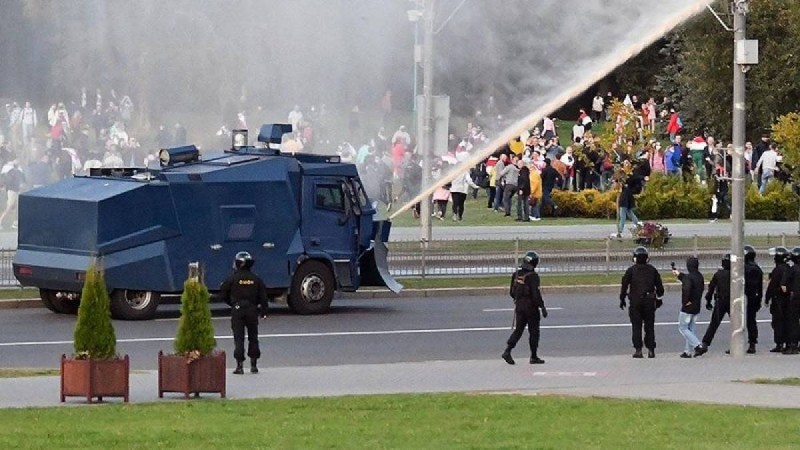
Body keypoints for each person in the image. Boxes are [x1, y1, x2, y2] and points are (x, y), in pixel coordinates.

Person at [218, 251, 269, 374]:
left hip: (237, 310)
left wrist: (233, 304)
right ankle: (254, 365)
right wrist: (263, 311)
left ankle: (239, 366)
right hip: (252, 310)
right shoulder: (256, 279)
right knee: (253, 337)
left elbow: (223, 293)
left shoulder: (232, 278)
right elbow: (263, 297)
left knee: (239, 338)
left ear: (238, 263)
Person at [502, 251, 548, 365]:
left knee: (518, 330)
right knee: (534, 332)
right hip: (531, 308)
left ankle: (507, 350)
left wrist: (519, 299)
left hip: (519, 307)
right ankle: (533, 356)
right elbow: (536, 294)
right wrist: (542, 307)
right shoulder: (533, 276)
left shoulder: (516, 274)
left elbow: (512, 292)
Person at [620, 247, 665, 358]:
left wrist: (622, 299)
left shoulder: (631, 270)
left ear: (635, 258)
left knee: (636, 326)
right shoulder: (652, 270)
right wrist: (657, 296)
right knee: (649, 326)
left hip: (635, 302)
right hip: (649, 302)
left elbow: (624, 285)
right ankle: (651, 350)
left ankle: (638, 350)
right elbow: (660, 289)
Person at [673, 258, 708, 358]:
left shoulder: (689, 278)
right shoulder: (699, 276)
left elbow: (687, 288)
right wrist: (679, 274)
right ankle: (687, 351)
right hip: (697, 306)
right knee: (691, 329)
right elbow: (687, 279)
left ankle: (698, 346)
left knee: (683, 328)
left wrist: (685, 302)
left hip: (688, 307)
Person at [701, 254, 732, 350]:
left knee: (714, 323)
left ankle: (705, 343)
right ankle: (735, 344)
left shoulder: (718, 274)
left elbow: (711, 288)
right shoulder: (735, 274)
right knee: (736, 324)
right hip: (732, 302)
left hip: (720, 301)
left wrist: (708, 301)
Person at [765, 246, 791, 353]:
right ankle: (788, 342)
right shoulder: (788, 268)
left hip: (778, 299)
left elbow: (772, 286)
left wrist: (767, 298)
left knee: (778, 322)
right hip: (787, 299)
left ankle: (779, 343)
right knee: (787, 321)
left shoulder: (778, 270)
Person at [743, 245, 763, 354]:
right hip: (754, 297)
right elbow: (760, 287)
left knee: (743, 320)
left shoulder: (744, 268)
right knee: (751, 320)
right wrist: (759, 299)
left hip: (745, 295)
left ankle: (740, 342)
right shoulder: (757, 268)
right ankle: (752, 342)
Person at [780, 247, 800, 355]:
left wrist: (789, 291)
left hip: (795, 298)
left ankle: (793, 345)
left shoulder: (792, 269)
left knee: (793, 322)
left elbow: (783, 286)